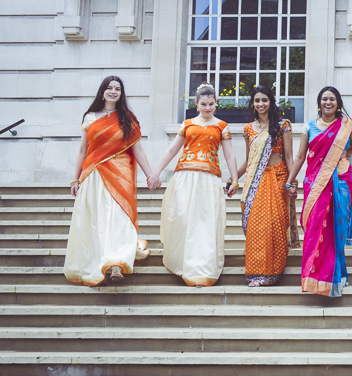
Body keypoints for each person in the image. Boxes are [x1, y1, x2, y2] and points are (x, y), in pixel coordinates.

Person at [287, 86, 352, 296]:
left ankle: (336, 277)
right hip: (315, 182)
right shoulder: (309, 127)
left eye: (332, 99)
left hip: (342, 182)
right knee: (315, 229)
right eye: (324, 99)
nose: (328, 102)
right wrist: (290, 181)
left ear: (338, 104)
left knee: (336, 228)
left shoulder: (348, 125)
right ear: (319, 103)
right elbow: (300, 157)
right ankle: (313, 278)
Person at [64, 76, 154, 286]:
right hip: (93, 175)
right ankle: (95, 261)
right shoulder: (89, 117)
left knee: (118, 218)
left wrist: (150, 174)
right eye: (110, 88)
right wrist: (74, 179)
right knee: (96, 219)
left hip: (120, 175)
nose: (113, 91)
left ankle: (116, 262)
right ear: (103, 91)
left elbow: (137, 150)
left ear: (121, 94)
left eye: (118, 89)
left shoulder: (128, 118)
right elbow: (82, 151)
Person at [147, 83, 239, 287]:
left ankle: (202, 270)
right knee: (183, 218)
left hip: (209, 178)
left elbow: (230, 154)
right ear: (196, 104)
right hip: (185, 176)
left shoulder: (221, 126)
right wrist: (155, 173)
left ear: (216, 104)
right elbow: (172, 150)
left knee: (205, 221)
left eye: (211, 104)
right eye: (204, 104)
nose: (207, 108)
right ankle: (184, 264)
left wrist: (234, 179)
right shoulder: (187, 124)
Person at [235, 86, 298, 287]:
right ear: (252, 104)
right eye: (257, 100)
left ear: (271, 102)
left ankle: (273, 272)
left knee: (274, 226)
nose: (261, 104)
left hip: (278, 179)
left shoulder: (283, 126)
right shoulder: (247, 129)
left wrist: (292, 183)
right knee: (255, 227)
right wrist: (233, 178)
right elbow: (248, 161)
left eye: (264, 100)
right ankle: (255, 273)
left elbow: (289, 156)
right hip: (255, 182)